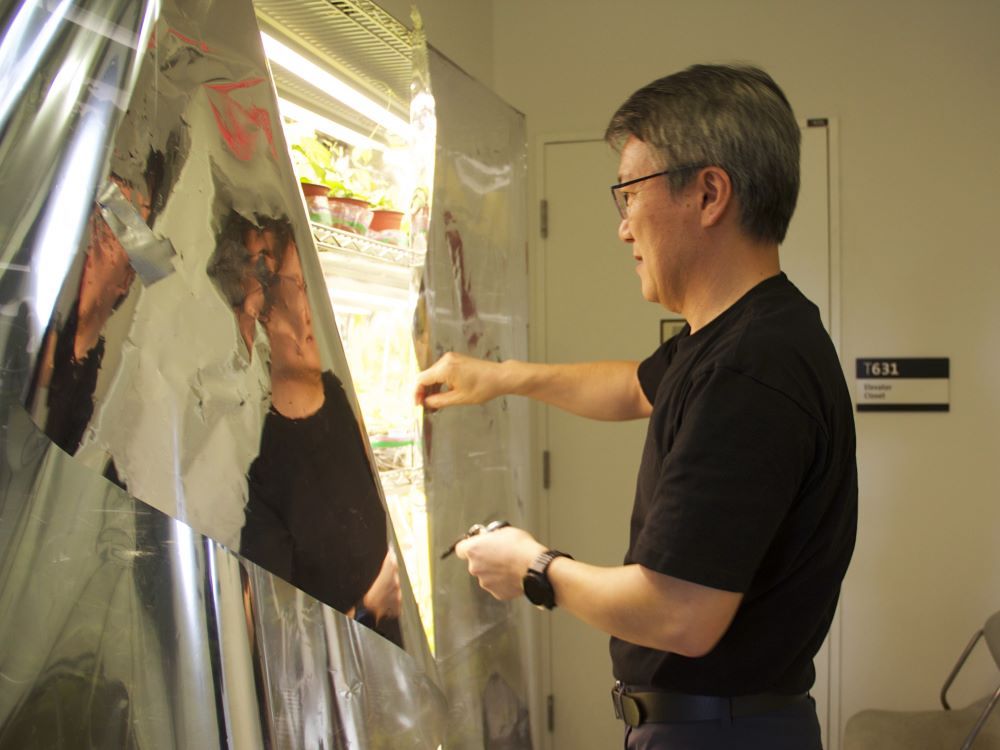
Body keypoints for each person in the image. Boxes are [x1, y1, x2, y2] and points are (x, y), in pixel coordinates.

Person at [415, 64, 857, 750]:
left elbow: (680, 614)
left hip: (721, 735)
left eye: (629, 194)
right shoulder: (735, 339)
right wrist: (498, 377)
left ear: (709, 193)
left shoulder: (751, 368)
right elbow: (632, 388)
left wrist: (533, 568)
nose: (623, 229)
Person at [207, 211, 402, 642]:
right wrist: (370, 607)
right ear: (255, 315)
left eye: (308, 284)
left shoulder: (336, 396)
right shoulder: (254, 460)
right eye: (294, 288)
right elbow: (270, 641)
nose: (309, 310)